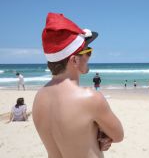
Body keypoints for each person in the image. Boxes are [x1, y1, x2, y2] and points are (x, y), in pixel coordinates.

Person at [32, 13, 123, 158]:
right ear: (74, 60)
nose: (89, 56)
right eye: (88, 51)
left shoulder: (39, 97)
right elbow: (118, 135)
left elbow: (69, 134)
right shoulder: (89, 98)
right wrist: (102, 133)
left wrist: (94, 133)